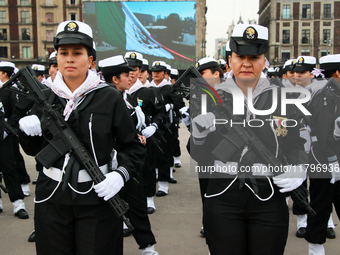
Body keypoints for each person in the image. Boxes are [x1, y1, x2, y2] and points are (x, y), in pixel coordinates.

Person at [18, 20, 146, 254]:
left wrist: (120, 175)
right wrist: (26, 131)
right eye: (63, 52)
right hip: (52, 197)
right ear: (56, 57)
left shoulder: (108, 97)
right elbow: (34, 150)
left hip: (97, 197)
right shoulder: (45, 97)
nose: (69, 58)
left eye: (77, 53)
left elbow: (133, 147)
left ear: (91, 61)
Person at [190, 24, 307, 254]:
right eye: (240, 56)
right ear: (230, 59)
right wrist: (199, 136)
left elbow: (295, 143)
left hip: (270, 195)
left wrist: (298, 168)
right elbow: (199, 156)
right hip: (223, 195)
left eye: (254, 57)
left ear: (264, 60)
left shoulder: (283, 97)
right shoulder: (213, 97)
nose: (246, 63)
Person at [99, 55, 158, 255]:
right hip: (108, 165)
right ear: (114, 79)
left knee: (137, 205)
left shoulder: (128, 97)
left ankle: (148, 247)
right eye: (126, 74)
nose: (131, 76)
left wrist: (139, 136)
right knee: (110, 213)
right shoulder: (102, 100)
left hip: (128, 162)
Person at [304, 54, 340, 254]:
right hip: (325, 162)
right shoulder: (327, 96)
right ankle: (315, 250)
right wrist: (333, 163)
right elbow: (324, 135)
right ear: (337, 72)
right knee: (320, 206)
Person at [0, 61, 29, 219]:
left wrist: (7, 130)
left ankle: (18, 203)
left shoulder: (7, 91)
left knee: (9, 168)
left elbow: (15, 113)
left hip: (5, 137)